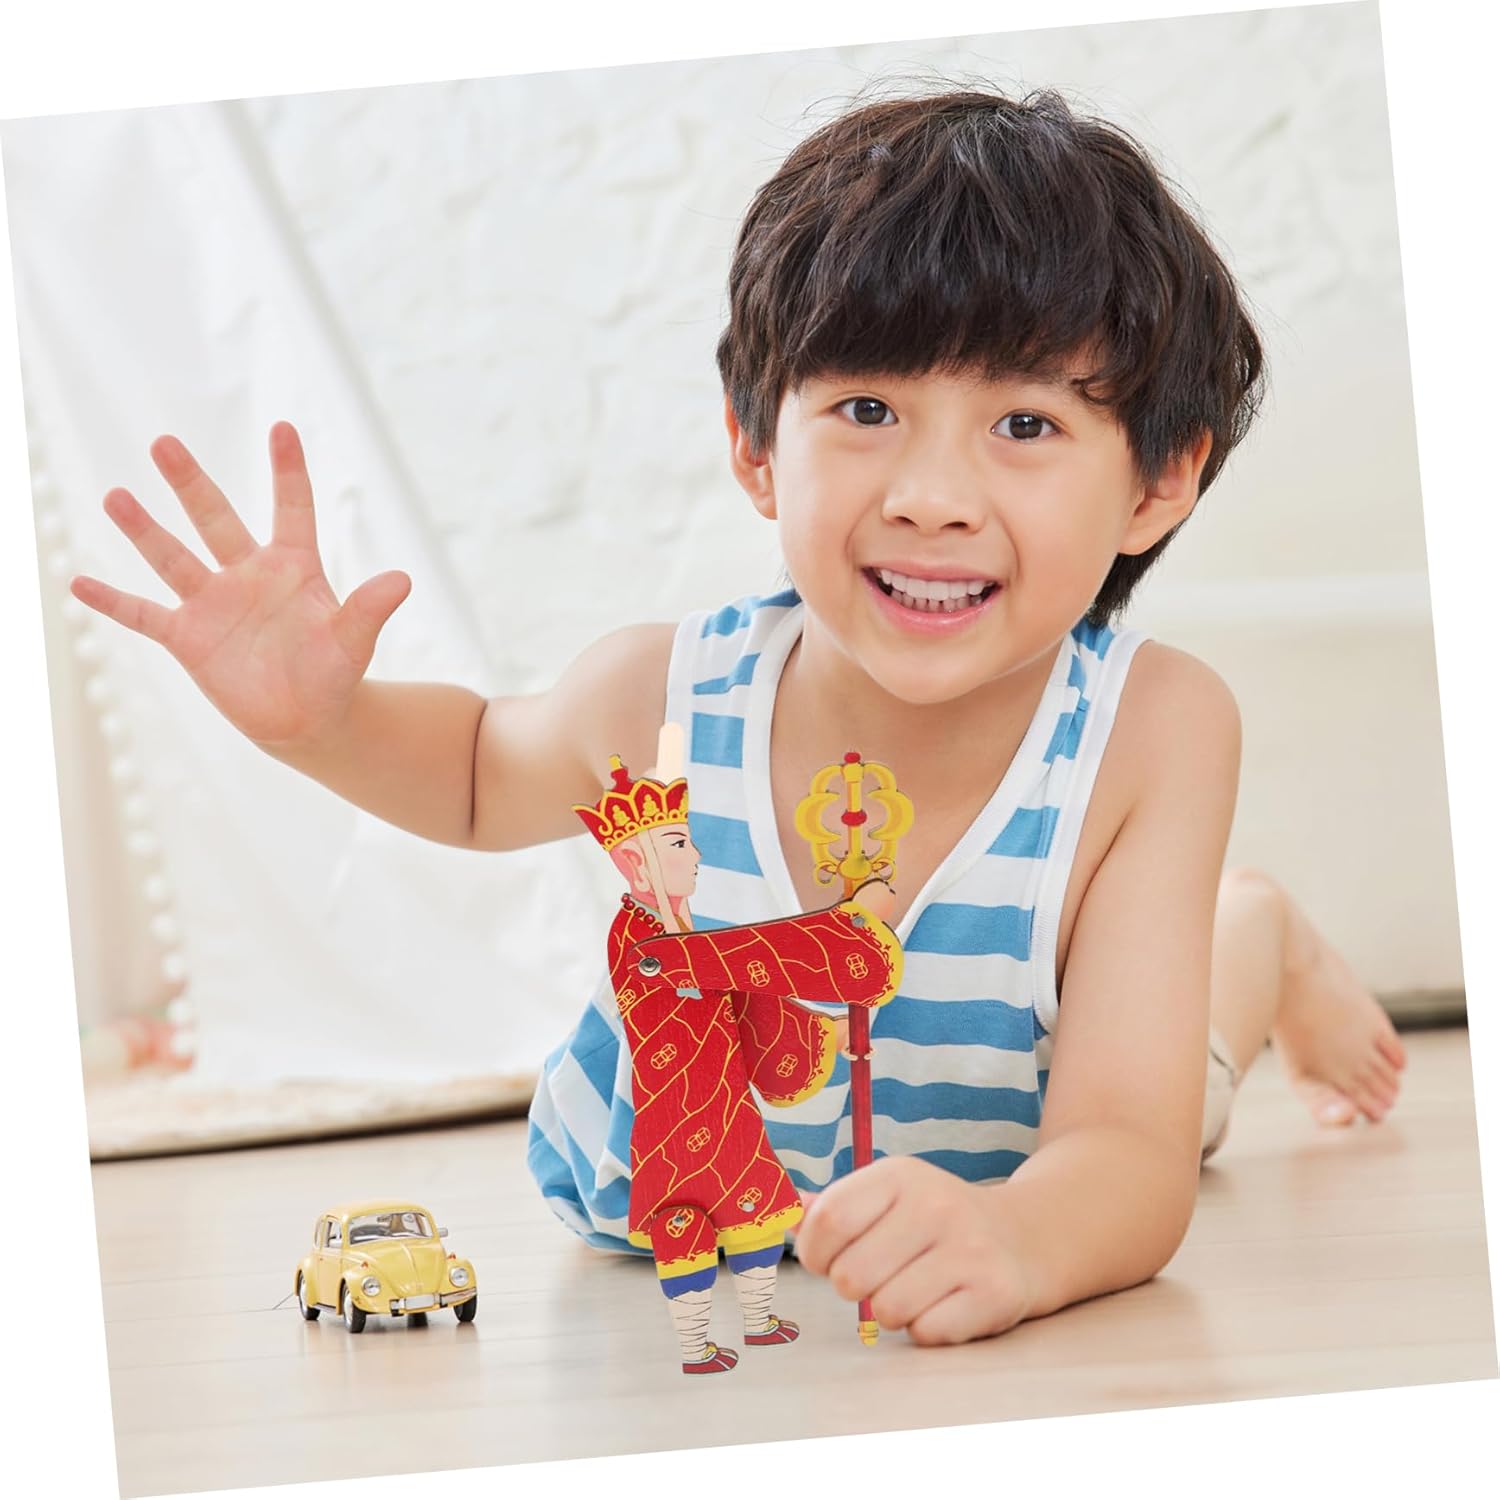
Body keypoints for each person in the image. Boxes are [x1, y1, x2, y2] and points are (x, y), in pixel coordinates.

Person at [70, 85, 1407, 1348]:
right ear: (757, 448)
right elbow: (477, 775)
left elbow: (1123, 1144)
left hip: (1026, 1141)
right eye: (869, 410)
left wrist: (1020, 1238)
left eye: (1025, 425)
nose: (931, 496)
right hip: (678, 1197)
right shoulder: (660, 699)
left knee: (1190, 1090)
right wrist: (321, 720)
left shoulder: (1153, 728)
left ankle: (1252, 937)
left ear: (1159, 485)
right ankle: (1242, 927)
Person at [573, 748, 901, 1372]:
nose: (696, 855)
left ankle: (759, 1321)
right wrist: (847, 928)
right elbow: (735, 959)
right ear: (635, 863)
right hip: (677, 1118)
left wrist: (824, 1033)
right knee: (686, 1227)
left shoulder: (687, 931)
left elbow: (741, 992)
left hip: (726, 1104)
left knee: (755, 1217)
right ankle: (696, 1343)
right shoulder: (643, 943)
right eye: (678, 844)